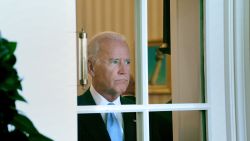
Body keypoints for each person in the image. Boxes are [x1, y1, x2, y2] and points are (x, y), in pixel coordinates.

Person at [77, 31, 136, 141]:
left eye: (127, 62)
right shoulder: (73, 111)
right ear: (91, 67)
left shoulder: (142, 112)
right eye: (115, 61)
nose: (124, 71)